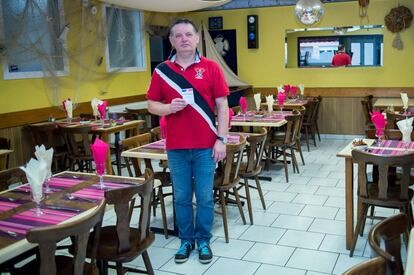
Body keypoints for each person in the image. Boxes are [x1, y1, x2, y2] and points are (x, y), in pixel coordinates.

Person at [146, 18, 229, 264]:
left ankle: (203, 240)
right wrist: (169, 108)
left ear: (196, 38)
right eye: (178, 35)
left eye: (188, 34)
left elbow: (223, 107)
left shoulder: (211, 67)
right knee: (181, 197)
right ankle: (186, 240)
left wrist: (221, 139)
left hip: (206, 147)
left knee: (204, 196)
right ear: (171, 40)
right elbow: (151, 105)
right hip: (176, 148)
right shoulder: (162, 70)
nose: (184, 39)